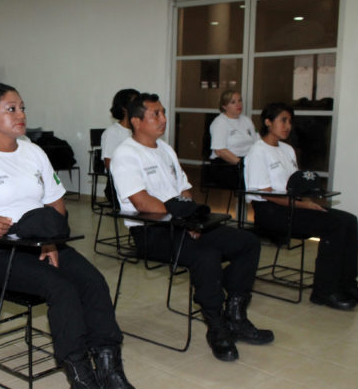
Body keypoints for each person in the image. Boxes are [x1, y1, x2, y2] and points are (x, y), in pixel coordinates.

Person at [0, 83, 153, 389]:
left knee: (93, 281)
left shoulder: (33, 152)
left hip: (41, 241)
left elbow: (56, 201)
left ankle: (111, 374)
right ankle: (81, 382)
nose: (21, 115)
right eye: (11, 109)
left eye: (22, 108)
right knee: (62, 290)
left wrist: (50, 241)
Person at [111, 93, 274, 362]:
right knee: (205, 255)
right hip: (152, 231)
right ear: (137, 121)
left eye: (163, 113)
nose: (163, 119)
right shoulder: (126, 154)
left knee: (247, 242)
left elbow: (185, 190)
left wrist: (192, 219)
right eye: (156, 114)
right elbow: (143, 203)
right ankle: (216, 326)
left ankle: (235, 315)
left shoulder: (165, 150)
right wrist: (184, 221)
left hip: (183, 223)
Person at [244, 102, 358, 310]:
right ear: (268, 122)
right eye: (282, 120)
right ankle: (324, 292)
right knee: (334, 225)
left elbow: (297, 184)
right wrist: (303, 205)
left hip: (294, 206)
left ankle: (348, 284)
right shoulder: (257, 152)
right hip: (271, 212)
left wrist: (310, 198)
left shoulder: (287, 150)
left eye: (289, 121)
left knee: (349, 220)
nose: (287, 126)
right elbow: (263, 194)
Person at [100, 88, 137, 203]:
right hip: (120, 184)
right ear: (124, 109)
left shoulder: (139, 131)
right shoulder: (112, 132)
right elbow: (109, 164)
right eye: (136, 104)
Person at [209, 90, 258, 165]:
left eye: (240, 101)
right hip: (228, 163)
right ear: (224, 106)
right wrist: (242, 164)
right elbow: (220, 151)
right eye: (233, 102)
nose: (238, 104)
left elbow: (256, 142)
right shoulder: (220, 122)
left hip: (248, 159)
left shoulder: (247, 120)